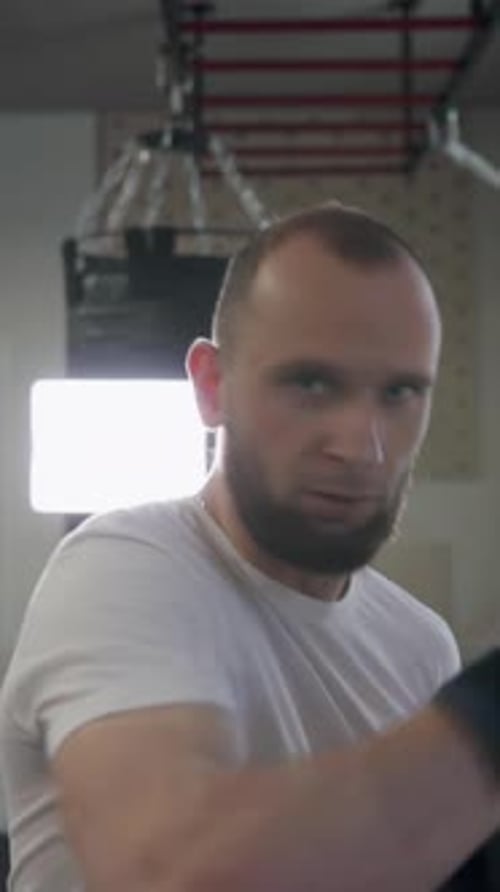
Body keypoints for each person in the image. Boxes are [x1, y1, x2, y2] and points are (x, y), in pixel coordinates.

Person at [0, 202, 499, 892]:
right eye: (310, 383)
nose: (362, 447)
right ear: (212, 386)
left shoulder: (421, 645)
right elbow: (174, 872)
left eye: (400, 392)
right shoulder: (123, 568)